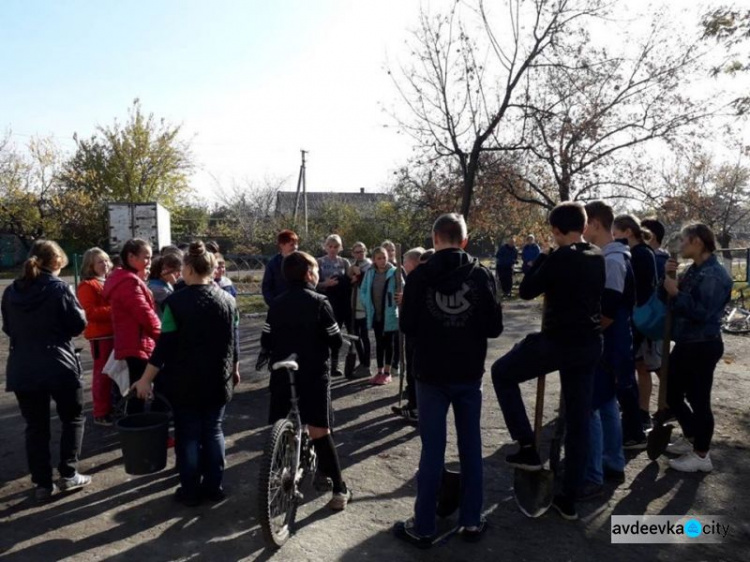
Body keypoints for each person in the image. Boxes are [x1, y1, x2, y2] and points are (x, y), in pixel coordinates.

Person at [394, 213, 502, 548]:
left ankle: (424, 526)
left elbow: (408, 326)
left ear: (435, 238)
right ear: (465, 240)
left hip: (430, 373)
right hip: (468, 372)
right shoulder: (482, 275)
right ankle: (471, 520)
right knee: (471, 447)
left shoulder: (420, 276)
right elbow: (494, 328)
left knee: (433, 450)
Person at [491, 202, 604, 521]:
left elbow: (526, 290)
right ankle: (569, 498)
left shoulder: (559, 258)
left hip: (559, 342)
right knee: (579, 420)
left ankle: (527, 444)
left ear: (555, 231)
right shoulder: (597, 255)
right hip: (589, 343)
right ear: (583, 226)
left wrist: (543, 254)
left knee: (502, 372)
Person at [133, 242, 240, 506]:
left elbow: (164, 346)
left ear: (188, 269)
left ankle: (190, 490)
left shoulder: (175, 303)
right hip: (218, 378)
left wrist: (146, 378)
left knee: (188, 434)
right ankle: (214, 487)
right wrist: (235, 368)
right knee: (214, 431)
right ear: (212, 269)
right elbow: (233, 340)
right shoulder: (229, 301)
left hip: (184, 382)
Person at [261, 251, 351, 510]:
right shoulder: (320, 301)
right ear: (310, 274)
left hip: (282, 373)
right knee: (320, 431)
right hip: (313, 373)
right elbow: (335, 340)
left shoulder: (276, 303)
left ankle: (276, 474)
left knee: (280, 423)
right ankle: (339, 489)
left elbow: (266, 340)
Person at [2, 240, 90, 501]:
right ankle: (69, 472)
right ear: (57, 262)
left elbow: (8, 328)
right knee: (72, 418)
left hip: (22, 366)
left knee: (36, 427)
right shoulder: (60, 288)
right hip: (58, 363)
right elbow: (77, 325)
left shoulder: (11, 292)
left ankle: (42, 482)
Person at [662, 224, 732, 473]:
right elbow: (679, 297)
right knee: (671, 392)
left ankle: (701, 456)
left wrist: (676, 293)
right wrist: (671, 278)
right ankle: (692, 437)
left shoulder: (713, 275)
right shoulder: (695, 269)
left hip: (702, 344)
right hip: (688, 343)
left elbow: (702, 312)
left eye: (683, 240)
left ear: (698, 242)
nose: (680, 245)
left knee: (699, 399)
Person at [581, 202, 633, 499]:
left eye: (585, 224)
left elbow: (610, 310)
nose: (582, 230)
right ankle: (613, 461)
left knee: (589, 405)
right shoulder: (611, 256)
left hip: (607, 343)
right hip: (613, 344)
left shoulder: (612, 260)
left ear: (596, 224)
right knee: (607, 403)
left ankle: (593, 474)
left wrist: (586, 333)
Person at [103, 239, 161, 412]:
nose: (149, 262)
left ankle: (138, 429)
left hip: (134, 342)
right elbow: (145, 314)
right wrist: (164, 337)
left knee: (137, 392)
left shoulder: (126, 279)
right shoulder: (129, 283)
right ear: (131, 257)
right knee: (138, 394)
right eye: (146, 257)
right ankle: (138, 432)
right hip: (136, 344)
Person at [613, 215, 656, 442]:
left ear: (628, 232)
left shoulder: (639, 255)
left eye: (616, 232)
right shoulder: (640, 253)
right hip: (637, 318)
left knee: (636, 369)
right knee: (639, 366)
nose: (614, 237)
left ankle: (640, 415)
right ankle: (638, 413)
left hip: (638, 320)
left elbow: (637, 290)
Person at [77, 247, 116, 426]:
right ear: (90, 265)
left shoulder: (110, 280)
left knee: (115, 374)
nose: (105, 264)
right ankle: (101, 412)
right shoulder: (88, 285)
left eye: (106, 260)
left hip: (115, 334)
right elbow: (90, 312)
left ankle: (111, 407)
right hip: (101, 337)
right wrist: (117, 308)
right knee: (102, 375)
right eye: (100, 261)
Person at [641, 217, 672, 424]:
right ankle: (646, 410)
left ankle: (671, 405)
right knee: (644, 366)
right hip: (646, 321)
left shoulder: (659, 260)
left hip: (655, 323)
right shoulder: (653, 257)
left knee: (659, 366)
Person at [392, 247, 425, 421]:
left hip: (417, 333)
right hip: (417, 333)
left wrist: (406, 300)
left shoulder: (417, 277)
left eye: (405, 261)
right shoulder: (421, 277)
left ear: (413, 262)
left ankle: (416, 408)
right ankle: (414, 404)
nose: (403, 265)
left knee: (414, 371)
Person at [359, 247, 398, 385]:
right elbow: (363, 290)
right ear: (374, 259)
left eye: (384, 257)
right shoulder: (370, 273)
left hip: (390, 313)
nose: (382, 261)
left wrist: (396, 300)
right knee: (379, 342)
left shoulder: (394, 272)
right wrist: (366, 302)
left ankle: (388, 372)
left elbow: (402, 288)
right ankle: (380, 371)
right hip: (375, 313)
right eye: (379, 258)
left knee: (389, 342)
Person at [317, 234, 351, 378]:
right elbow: (313, 283)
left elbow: (350, 280)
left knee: (337, 332)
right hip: (325, 300)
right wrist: (326, 284)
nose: (332, 249)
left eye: (335, 246)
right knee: (324, 333)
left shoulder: (344, 262)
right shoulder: (319, 262)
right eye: (330, 246)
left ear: (340, 247)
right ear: (325, 247)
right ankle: (323, 364)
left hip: (342, 301)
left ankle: (335, 365)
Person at [349, 242, 373, 375]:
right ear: (353, 253)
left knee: (364, 336)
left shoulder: (369, 266)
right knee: (355, 336)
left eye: (362, 251)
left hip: (363, 306)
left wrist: (359, 275)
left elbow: (369, 284)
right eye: (357, 252)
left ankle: (367, 364)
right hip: (354, 306)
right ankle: (362, 362)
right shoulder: (353, 266)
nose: (360, 254)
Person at [261, 229, 299, 306]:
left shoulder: (302, 261)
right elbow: (267, 287)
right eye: (291, 245)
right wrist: (273, 303)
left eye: (296, 244)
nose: (295, 247)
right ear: (282, 245)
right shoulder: (273, 264)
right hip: (280, 304)